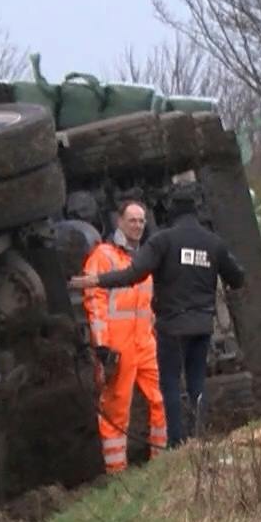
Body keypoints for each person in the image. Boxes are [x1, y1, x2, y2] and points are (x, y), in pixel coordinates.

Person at [70, 184, 244, 445]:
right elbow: (238, 278)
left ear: (171, 210)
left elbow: (132, 275)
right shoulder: (212, 243)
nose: (139, 225)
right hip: (201, 325)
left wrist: (96, 280)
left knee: (170, 385)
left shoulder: (163, 241)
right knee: (197, 384)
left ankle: (176, 445)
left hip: (171, 328)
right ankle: (196, 439)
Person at [80, 199, 167, 473]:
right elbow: (95, 302)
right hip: (118, 346)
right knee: (116, 410)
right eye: (132, 220)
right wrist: (102, 344)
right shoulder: (103, 256)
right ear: (119, 222)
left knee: (163, 399)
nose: (138, 225)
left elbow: (146, 306)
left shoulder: (143, 258)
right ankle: (117, 474)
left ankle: (161, 462)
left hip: (145, 343)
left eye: (142, 221)